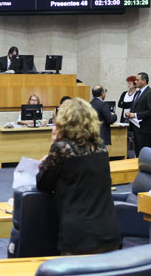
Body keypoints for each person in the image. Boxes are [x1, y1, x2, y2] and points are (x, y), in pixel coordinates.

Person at [36, 98, 120, 255]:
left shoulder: (62, 149)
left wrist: (50, 155)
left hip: (79, 235)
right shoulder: (101, 148)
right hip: (108, 230)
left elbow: (43, 183)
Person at [126, 72, 151, 157]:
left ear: (144, 81)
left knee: (145, 153)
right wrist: (129, 113)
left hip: (145, 128)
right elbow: (135, 107)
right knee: (138, 153)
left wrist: (135, 115)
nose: (135, 82)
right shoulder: (138, 93)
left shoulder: (150, 93)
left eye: (137, 80)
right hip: (136, 127)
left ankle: (147, 169)